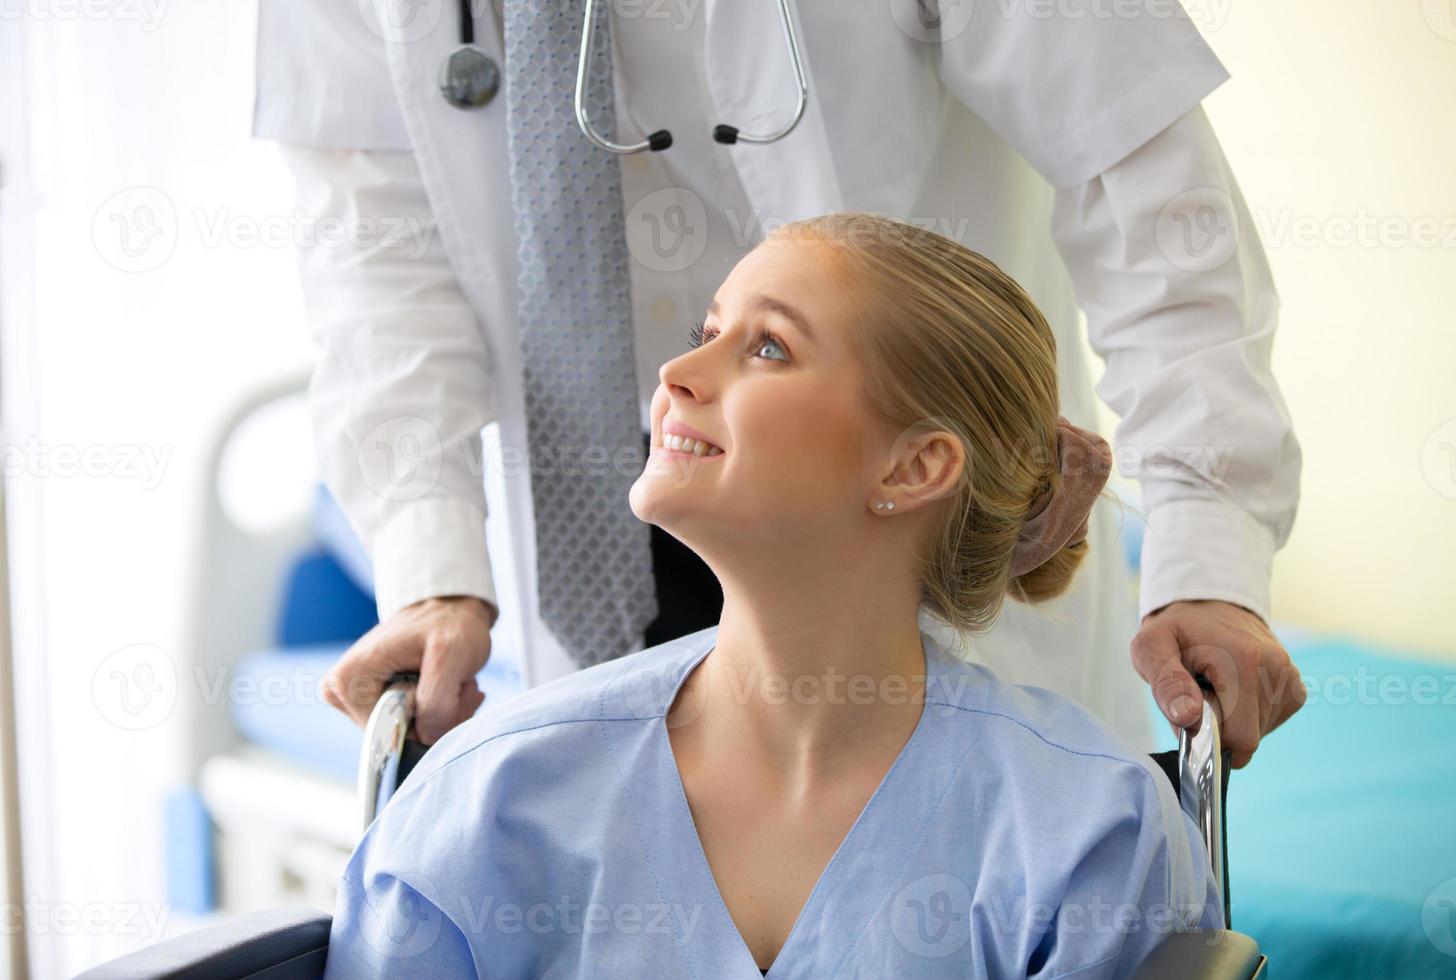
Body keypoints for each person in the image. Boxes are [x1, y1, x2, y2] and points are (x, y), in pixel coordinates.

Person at [252, 0, 1306, 761]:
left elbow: (1146, 186)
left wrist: (1207, 549)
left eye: (756, 343)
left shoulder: (1058, 836)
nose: (679, 375)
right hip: (592, 543)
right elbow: (373, 263)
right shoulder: (497, 821)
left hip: (918, 553)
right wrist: (429, 562)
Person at [322, 214, 1224, 978]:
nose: (678, 375)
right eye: (704, 331)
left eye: (766, 346)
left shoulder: (1088, 830)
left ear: (915, 466)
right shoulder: (489, 803)